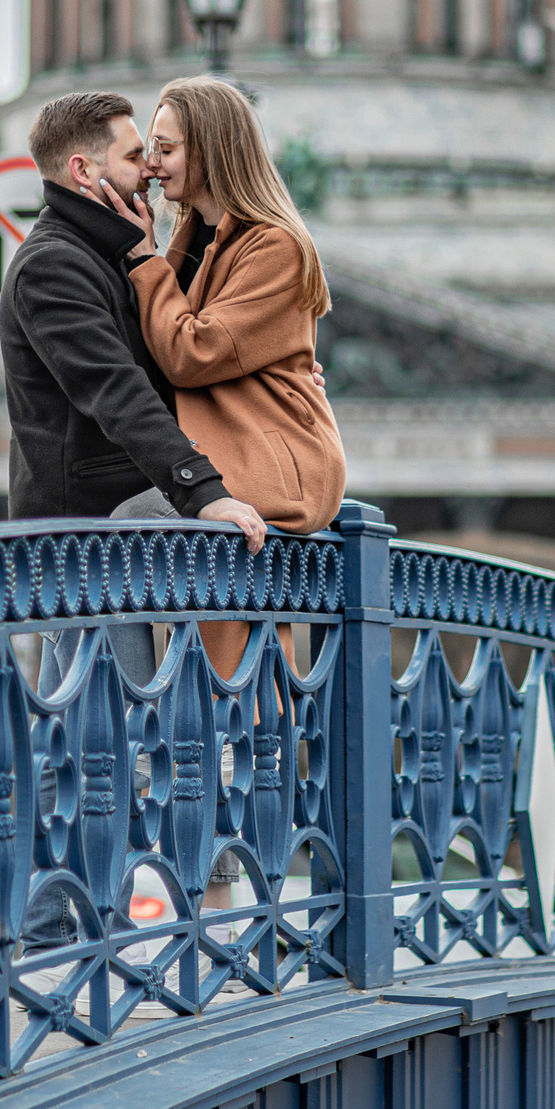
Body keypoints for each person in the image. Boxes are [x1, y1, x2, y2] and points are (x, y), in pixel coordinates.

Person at [1, 91, 270, 951]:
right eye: (132, 158)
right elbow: (119, 396)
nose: (149, 172)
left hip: (120, 538)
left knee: (104, 730)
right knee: (85, 734)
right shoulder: (53, 264)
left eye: (157, 157)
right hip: (80, 541)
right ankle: (57, 935)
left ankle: (90, 924)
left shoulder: (109, 251)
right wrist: (204, 489)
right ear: (84, 171)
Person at [93, 76, 347, 679]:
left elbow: (190, 351)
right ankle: (220, 728)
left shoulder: (275, 245)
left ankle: (145, 722)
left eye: (166, 148)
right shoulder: (193, 237)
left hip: (273, 461)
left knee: (127, 530)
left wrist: (140, 259)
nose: (151, 165)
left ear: (210, 149)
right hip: (232, 446)